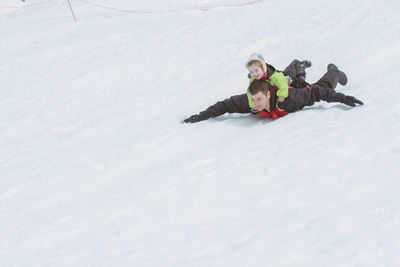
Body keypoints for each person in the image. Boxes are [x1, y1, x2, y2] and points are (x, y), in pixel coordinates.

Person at [183, 63, 363, 123]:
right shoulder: (252, 100)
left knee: (324, 86)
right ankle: (296, 67)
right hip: (282, 81)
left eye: (259, 99)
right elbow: (226, 105)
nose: (255, 104)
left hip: (298, 89)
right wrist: (201, 116)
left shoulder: (291, 99)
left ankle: (334, 71)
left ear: (268, 95)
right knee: (284, 77)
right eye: (253, 100)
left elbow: (317, 93)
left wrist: (343, 98)